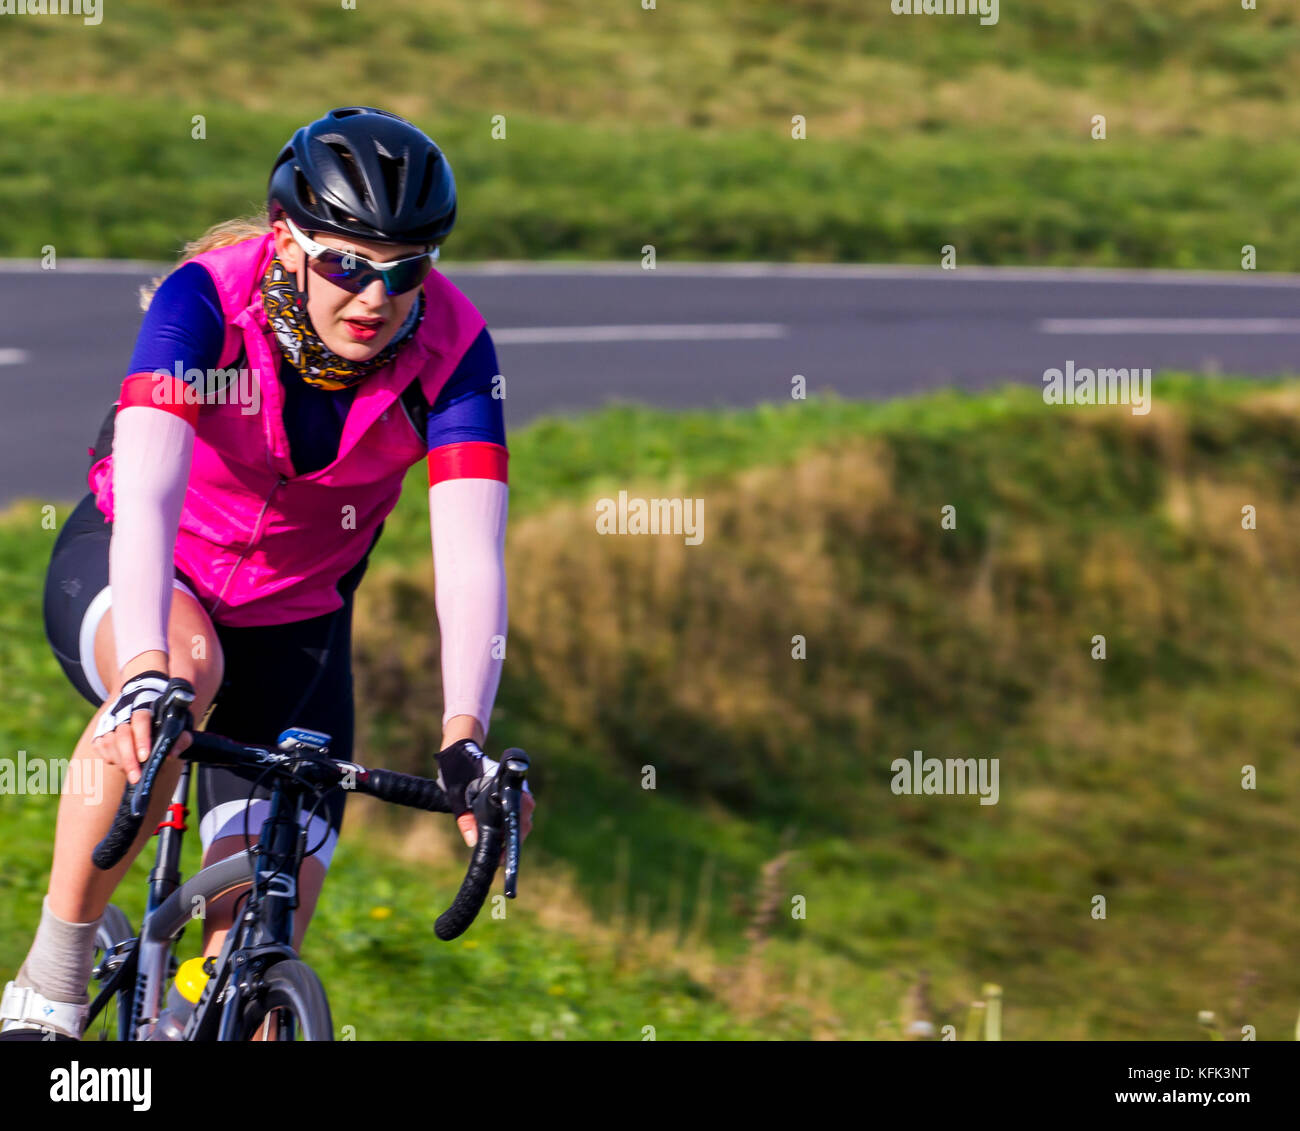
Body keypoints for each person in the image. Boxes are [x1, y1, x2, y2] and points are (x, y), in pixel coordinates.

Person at [0, 106, 532, 1040]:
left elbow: (469, 554)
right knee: (182, 682)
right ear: (290, 239)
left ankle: (200, 1011)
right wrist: (145, 668)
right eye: (345, 265)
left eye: (405, 270)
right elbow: (151, 484)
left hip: (297, 620)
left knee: (262, 925)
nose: (375, 296)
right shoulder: (207, 298)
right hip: (144, 568)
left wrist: (466, 737)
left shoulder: (455, 351)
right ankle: (53, 972)